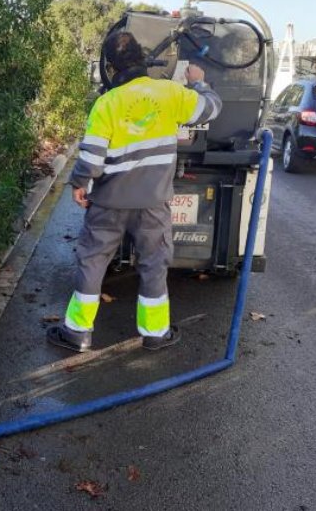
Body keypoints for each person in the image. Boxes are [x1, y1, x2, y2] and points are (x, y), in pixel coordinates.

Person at [47, 31, 223, 353]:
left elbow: (92, 156)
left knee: (93, 261)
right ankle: (155, 333)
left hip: (109, 203)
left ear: (111, 68)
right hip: (152, 204)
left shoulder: (107, 103)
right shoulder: (171, 93)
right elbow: (211, 109)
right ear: (142, 59)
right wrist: (199, 82)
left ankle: (77, 334)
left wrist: (79, 184)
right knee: (154, 265)